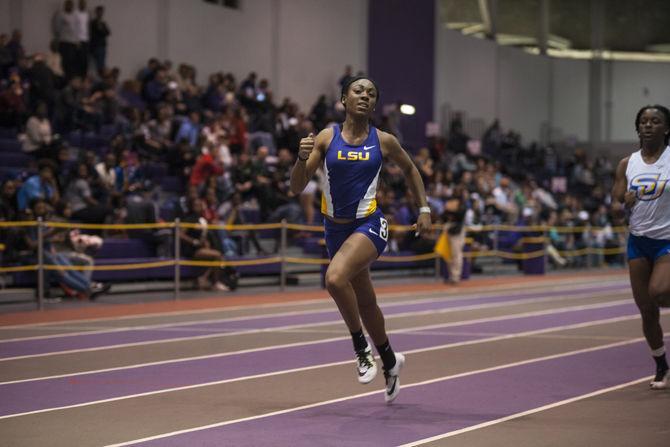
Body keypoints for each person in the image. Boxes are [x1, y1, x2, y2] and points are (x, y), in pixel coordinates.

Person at [290, 76, 431, 403]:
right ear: (343, 99)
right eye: (358, 91)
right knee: (365, 302)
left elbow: (410, 170)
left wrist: (423, 207)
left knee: (335, 278)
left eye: (371, 93)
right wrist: (300, 158)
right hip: (334, 230)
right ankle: (391, 360)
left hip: (369, 224)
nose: (365, 96)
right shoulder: (327, 137)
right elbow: (298, 186)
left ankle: (360, 348)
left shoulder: (384, 141)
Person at [612, 104, 670, 390]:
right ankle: (661, 365)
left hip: (667, 240)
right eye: (644, 121)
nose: (648, 125)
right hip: (638, 241)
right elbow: (613, 205)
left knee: (659, 292)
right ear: (638, 128)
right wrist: (623, 201)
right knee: (647, 309)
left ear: (666, 128)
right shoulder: (627, 163)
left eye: (655, 121)